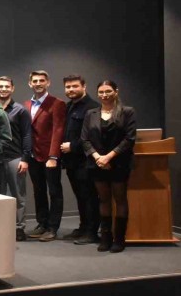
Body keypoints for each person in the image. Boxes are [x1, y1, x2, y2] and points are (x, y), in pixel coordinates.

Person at [81, 80, 136, 253]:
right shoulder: (91, 113)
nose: (104, 95)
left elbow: (129, 139)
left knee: (120, 199)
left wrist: (109, 157)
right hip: (97, 163)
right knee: (103, 200)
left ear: (116, 91)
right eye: (101, 92)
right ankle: (106, 238)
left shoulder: (127, 112)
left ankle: (119, 239)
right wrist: (98, 157)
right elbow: (84, 139)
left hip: (119, 163)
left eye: (108, 91)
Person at [24, 70, 66, 242]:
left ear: (48, 83)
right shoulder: (27, 104)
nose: (38, 83)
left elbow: (58, 130)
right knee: (38, 191)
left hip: (50, 157)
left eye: (42, 80)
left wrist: (53, 156)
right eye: (35, 81)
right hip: (33, 155)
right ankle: (42, 223)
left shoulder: (57, 103)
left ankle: (52, 227)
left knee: (54, 191)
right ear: (30, 84)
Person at [61, 74, 101, 245]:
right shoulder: (69, 106)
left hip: (86, 161)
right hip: (72, 162)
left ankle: (92, 232)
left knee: (89, 196)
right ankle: (83, 227)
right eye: (68, 87)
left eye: (75, 86)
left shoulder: (93, 107)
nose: (71, 89)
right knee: (80, 196)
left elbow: (93, 135)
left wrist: (73, 146)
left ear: (84, 86)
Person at [0, 77, 32, 242]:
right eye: (0, 86)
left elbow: (27, 135)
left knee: (18, 195)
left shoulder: (20, 110)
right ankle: (1, 227)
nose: (3, 89)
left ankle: (19, 228)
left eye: (7, 86)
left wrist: (25, 158)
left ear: (12, 88)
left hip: (15, 157)